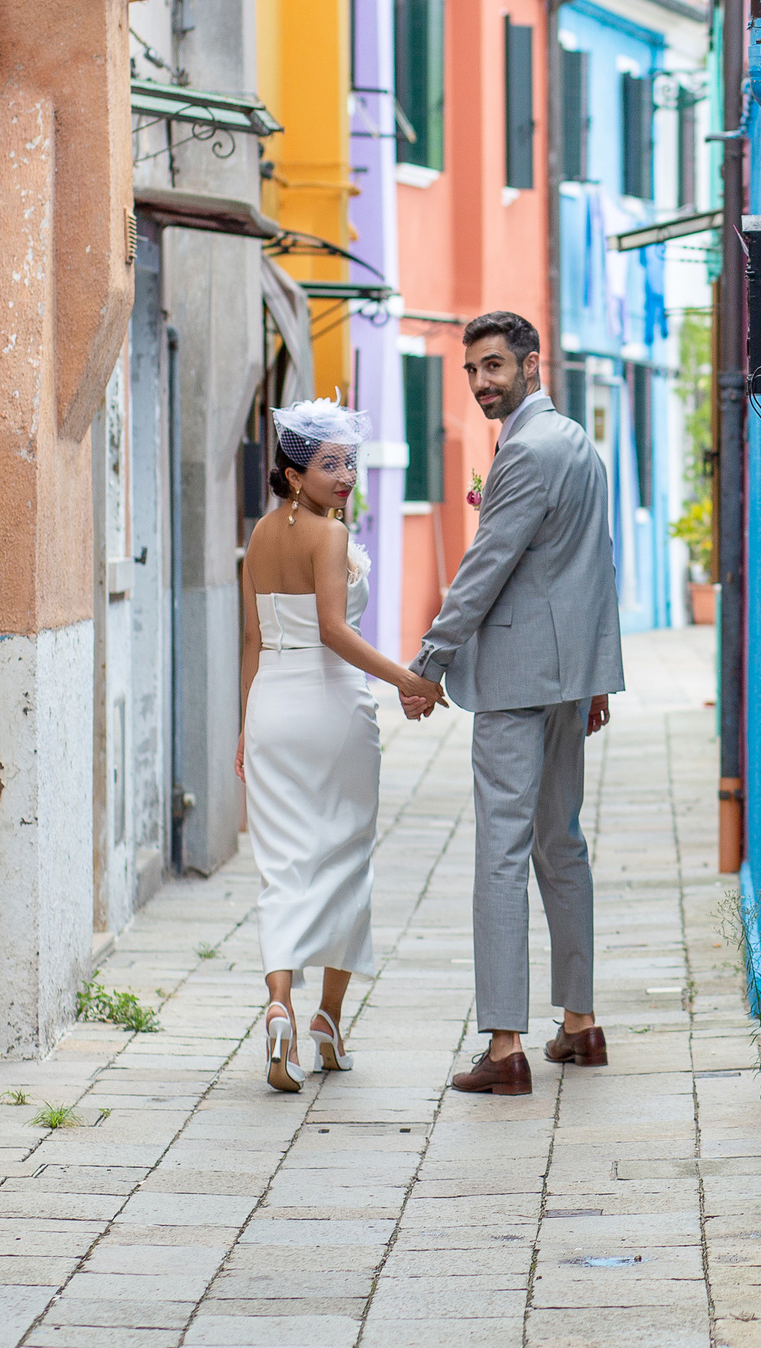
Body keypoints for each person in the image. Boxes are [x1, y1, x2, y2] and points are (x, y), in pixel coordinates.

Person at [404, 311, 624, 1096]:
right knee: (560, 842)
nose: (481, 383)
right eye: (472, 371)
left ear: (533, 364)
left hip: (519, 681)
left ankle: (504, 1047)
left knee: (501, 853)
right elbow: (594, 564)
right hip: (565, 680)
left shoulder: (526, 450)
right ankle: (580, 1023)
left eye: (494, 366)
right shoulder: (577, 442)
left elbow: (485, 566)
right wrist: (597, 674)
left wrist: (427, 663)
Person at [238, 397, 444, 1092]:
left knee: (281, 865)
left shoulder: (260, 540)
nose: (347, 475)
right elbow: (333, 628)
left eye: (350, 461)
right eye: (331, 464)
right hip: (331, 709)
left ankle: (281, 1009)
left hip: (272, 706)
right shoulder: (327, 537)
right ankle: (324, 1014)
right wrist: (408, 677)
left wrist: (244, 726)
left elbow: (250, 641)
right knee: (345, 860)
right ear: (295, 474)